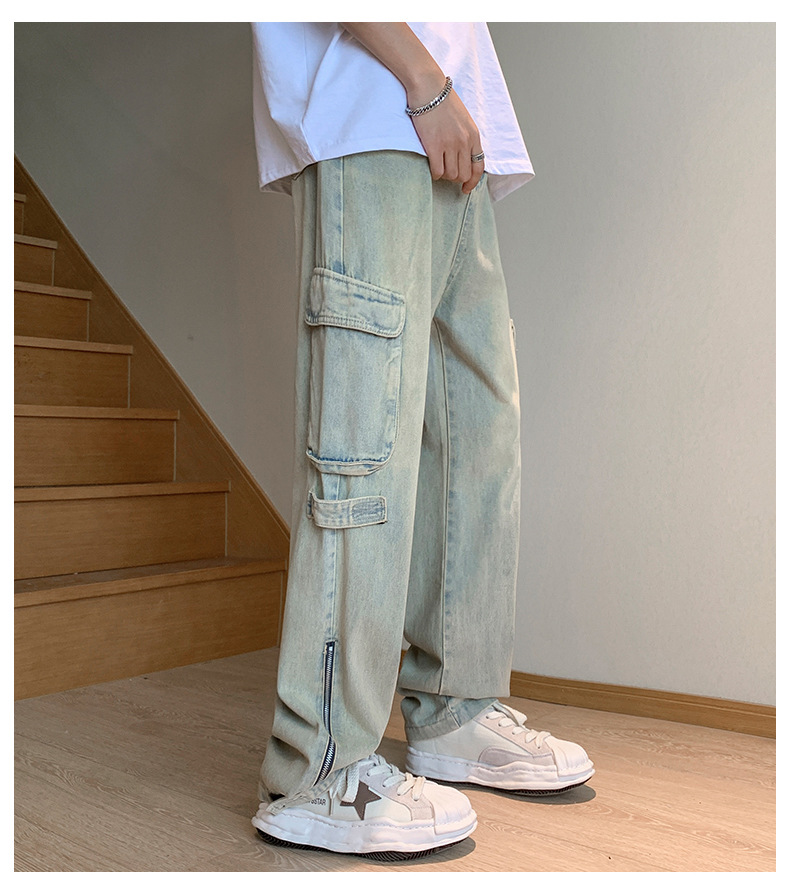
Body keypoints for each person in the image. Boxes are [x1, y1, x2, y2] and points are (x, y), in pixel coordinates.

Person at [249, 22, 594, 861]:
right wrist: (423, 80)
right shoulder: (407, 88)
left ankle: (454, 709)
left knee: (476, 434)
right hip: (378, 104)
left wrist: (450, 96)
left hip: (453, 118)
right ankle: (319, 767)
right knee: (362, 442)